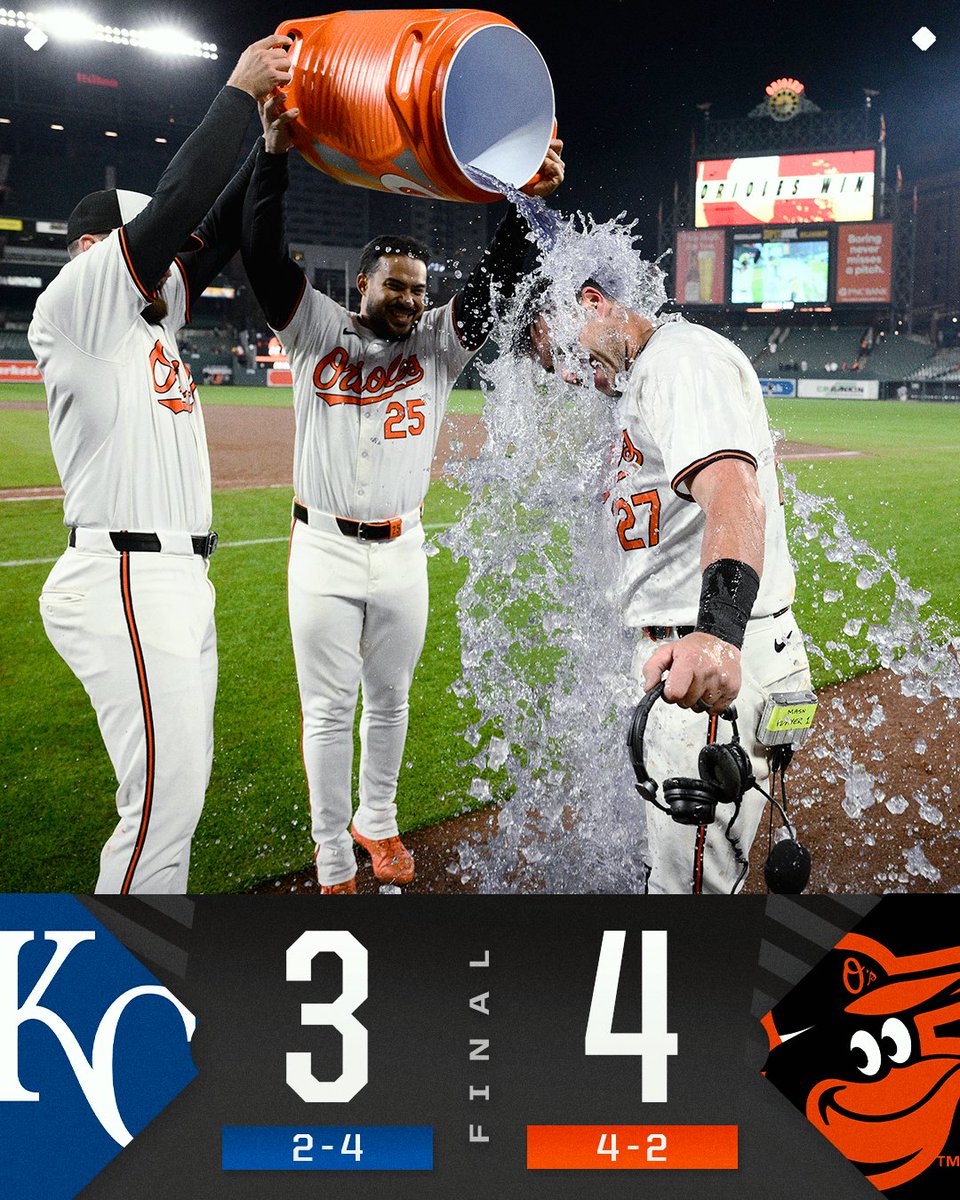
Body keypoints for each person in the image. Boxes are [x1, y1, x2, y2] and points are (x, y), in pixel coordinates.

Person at [241, 93, 564, 893]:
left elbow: (501, 272)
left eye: (420, 290)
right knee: (327, 711)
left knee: (390, 702)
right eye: (398, 287)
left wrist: (531, 194)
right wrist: (273, 155)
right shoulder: (312, 329)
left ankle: (376, 824)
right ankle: (328, 851)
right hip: (319, 547)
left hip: (402, 550)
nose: (414, 301)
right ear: (363, 283)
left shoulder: (437, 350)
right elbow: (259, 250)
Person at [29, 36, 295, 893]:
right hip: (127, 576)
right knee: (159, 813)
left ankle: (124, 1003)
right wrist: (235, 93)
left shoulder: (145, 324)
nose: (175, 260)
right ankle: (105, 1013)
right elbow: (181, 205)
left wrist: (271, 141)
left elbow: (208, 232)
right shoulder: (79, 304)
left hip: (170, 580)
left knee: (170, 805)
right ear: (92, 250)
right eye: (148, 245)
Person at [529, 281, 812, 894]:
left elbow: (735, 489)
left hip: (711, 663)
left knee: (687, 895)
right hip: (691, 655)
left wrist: (716, 634)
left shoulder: (677, 359)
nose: (572, 378)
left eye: (567, 356)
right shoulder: (645, 379)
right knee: (675, 872)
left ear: (593, 302)